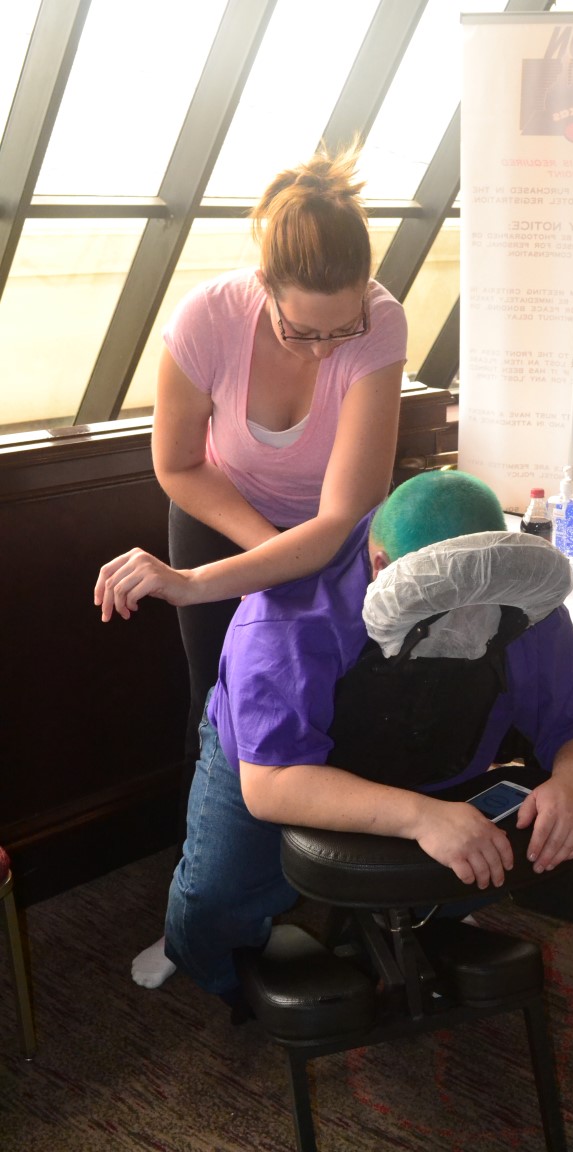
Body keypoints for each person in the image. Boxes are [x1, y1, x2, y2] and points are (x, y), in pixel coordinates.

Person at [98, 143, 407, 988]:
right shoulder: (207, 318)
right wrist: (258, 550)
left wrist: (273, 560)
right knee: (220, 712)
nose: (324, 350)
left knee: (339, 704)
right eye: (302, 331)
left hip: (335, 534)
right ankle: (198, 913)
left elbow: (341, 517)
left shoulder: (380, 321)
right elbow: (177, 464)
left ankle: (334, 894)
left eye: (342, 330)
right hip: (220, 513)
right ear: (264, 286)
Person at [162, 470, 573, 999]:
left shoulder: (517, 596)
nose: (465, 623)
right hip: (276, 759)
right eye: (442, 605)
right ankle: (218, 975)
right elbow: (271, 784)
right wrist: (421, 817)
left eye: (478, 605)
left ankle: (405, 922)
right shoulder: (287, 615)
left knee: (497, 853)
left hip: (432, 749)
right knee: (216, 901)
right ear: (381, 568)